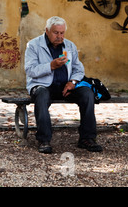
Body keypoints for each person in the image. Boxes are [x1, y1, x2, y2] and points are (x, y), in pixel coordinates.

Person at [24, 16, 102, 153]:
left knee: (87, 94)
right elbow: (30, 70)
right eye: (56, 33)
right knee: (41, 96)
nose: (59, 36)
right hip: (43, 85)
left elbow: (79, 69)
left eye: (62, 33)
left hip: (66, 86)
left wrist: (72, 82)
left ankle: (87, 138)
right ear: (47, 31)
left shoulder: (70, 46)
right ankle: (44, 139)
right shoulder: (33, 45)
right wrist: (51, 66)